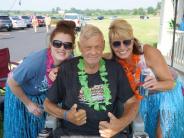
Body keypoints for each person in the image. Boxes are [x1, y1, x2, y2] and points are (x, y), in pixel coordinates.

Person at [44, 24, 139, 138]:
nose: (93, 52)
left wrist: (120, 124)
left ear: (103, 45)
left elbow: (132, 102)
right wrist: (66, 115)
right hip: (71, 134)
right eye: (88, 47)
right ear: (79, 47)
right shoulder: (67, 69)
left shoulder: (115, 69)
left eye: (97, 47)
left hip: (108, 134)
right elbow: (47, 104)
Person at [108, 19, 184, 138]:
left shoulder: (148, 52)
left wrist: (156, 84)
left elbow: (170, 83)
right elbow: (93, 54)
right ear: (111, 46)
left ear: (132, 41)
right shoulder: (114, 60)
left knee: (160, 134)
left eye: (126, 42)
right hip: (144, 98)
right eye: (116, 43)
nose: (122, 47)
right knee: (146, 131)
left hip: (167, 93)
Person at [3, 20, 76, 138]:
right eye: (57, 43)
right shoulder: (36, 61)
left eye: (67, 45)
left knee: (37, 128)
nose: (62, 48)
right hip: (19, 93)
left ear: (72, 48)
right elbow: (11, 81)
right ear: (50, 44)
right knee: (20, 132)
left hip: (39, 93)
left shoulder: (69, 61)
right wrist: (28, 104)